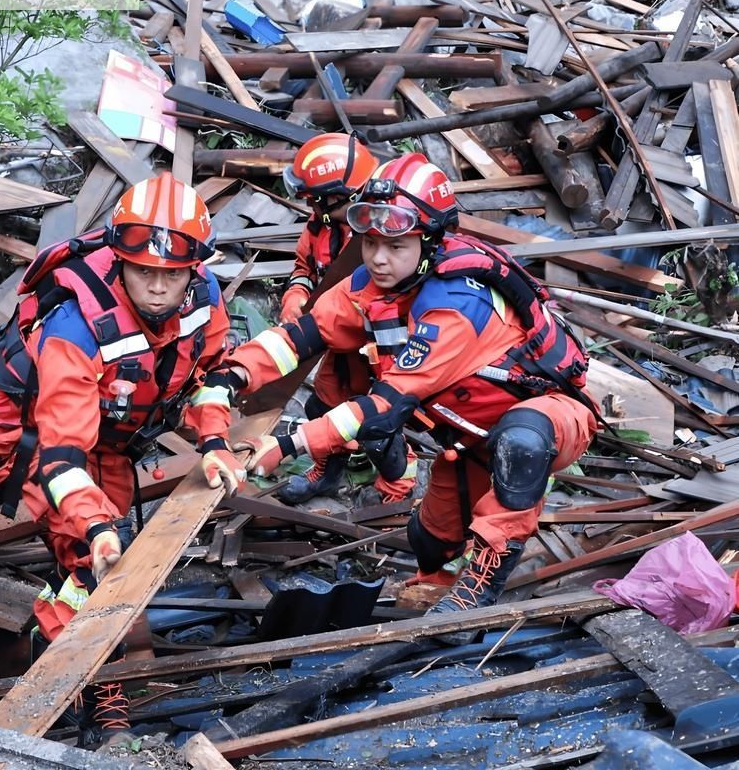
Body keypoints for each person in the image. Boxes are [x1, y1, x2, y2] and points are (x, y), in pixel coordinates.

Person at [216, 153, 600, 622]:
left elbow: (387, 404)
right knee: (430, 539)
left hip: (549, 417)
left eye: (395, 246)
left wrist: (287, 444)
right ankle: (433, 585)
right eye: (371, 242)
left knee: (519, 446)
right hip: (468, 436)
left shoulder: (457, 305)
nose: (378, 258)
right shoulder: (373, 285)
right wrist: (232, 375)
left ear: (429, 240)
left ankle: (477, 594)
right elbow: (302, 335)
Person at [0, 172, 244, 745]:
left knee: (97, 557)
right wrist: (96, 524)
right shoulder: (77, 324)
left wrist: (215, 439)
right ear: (120, 259)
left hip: (114, 433)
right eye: (143, 271)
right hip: (42, 434)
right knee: (84, 557)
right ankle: (89, 691)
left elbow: (212, 375)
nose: (155, 288)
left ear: (193, 271)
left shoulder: (206, 301)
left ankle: (81, 653)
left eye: (170, 276)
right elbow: (61, 453)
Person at [274, 134, 417, 505]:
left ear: (347, 196)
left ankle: (398, 488)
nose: (310, 204)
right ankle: (326, 475)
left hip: (382, 344)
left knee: (377, 425)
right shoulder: (321, 224)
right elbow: (305, 267)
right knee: (321, 407)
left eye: (316, 198)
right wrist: (297, 296)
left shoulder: (384, 233)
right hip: (339, 341)